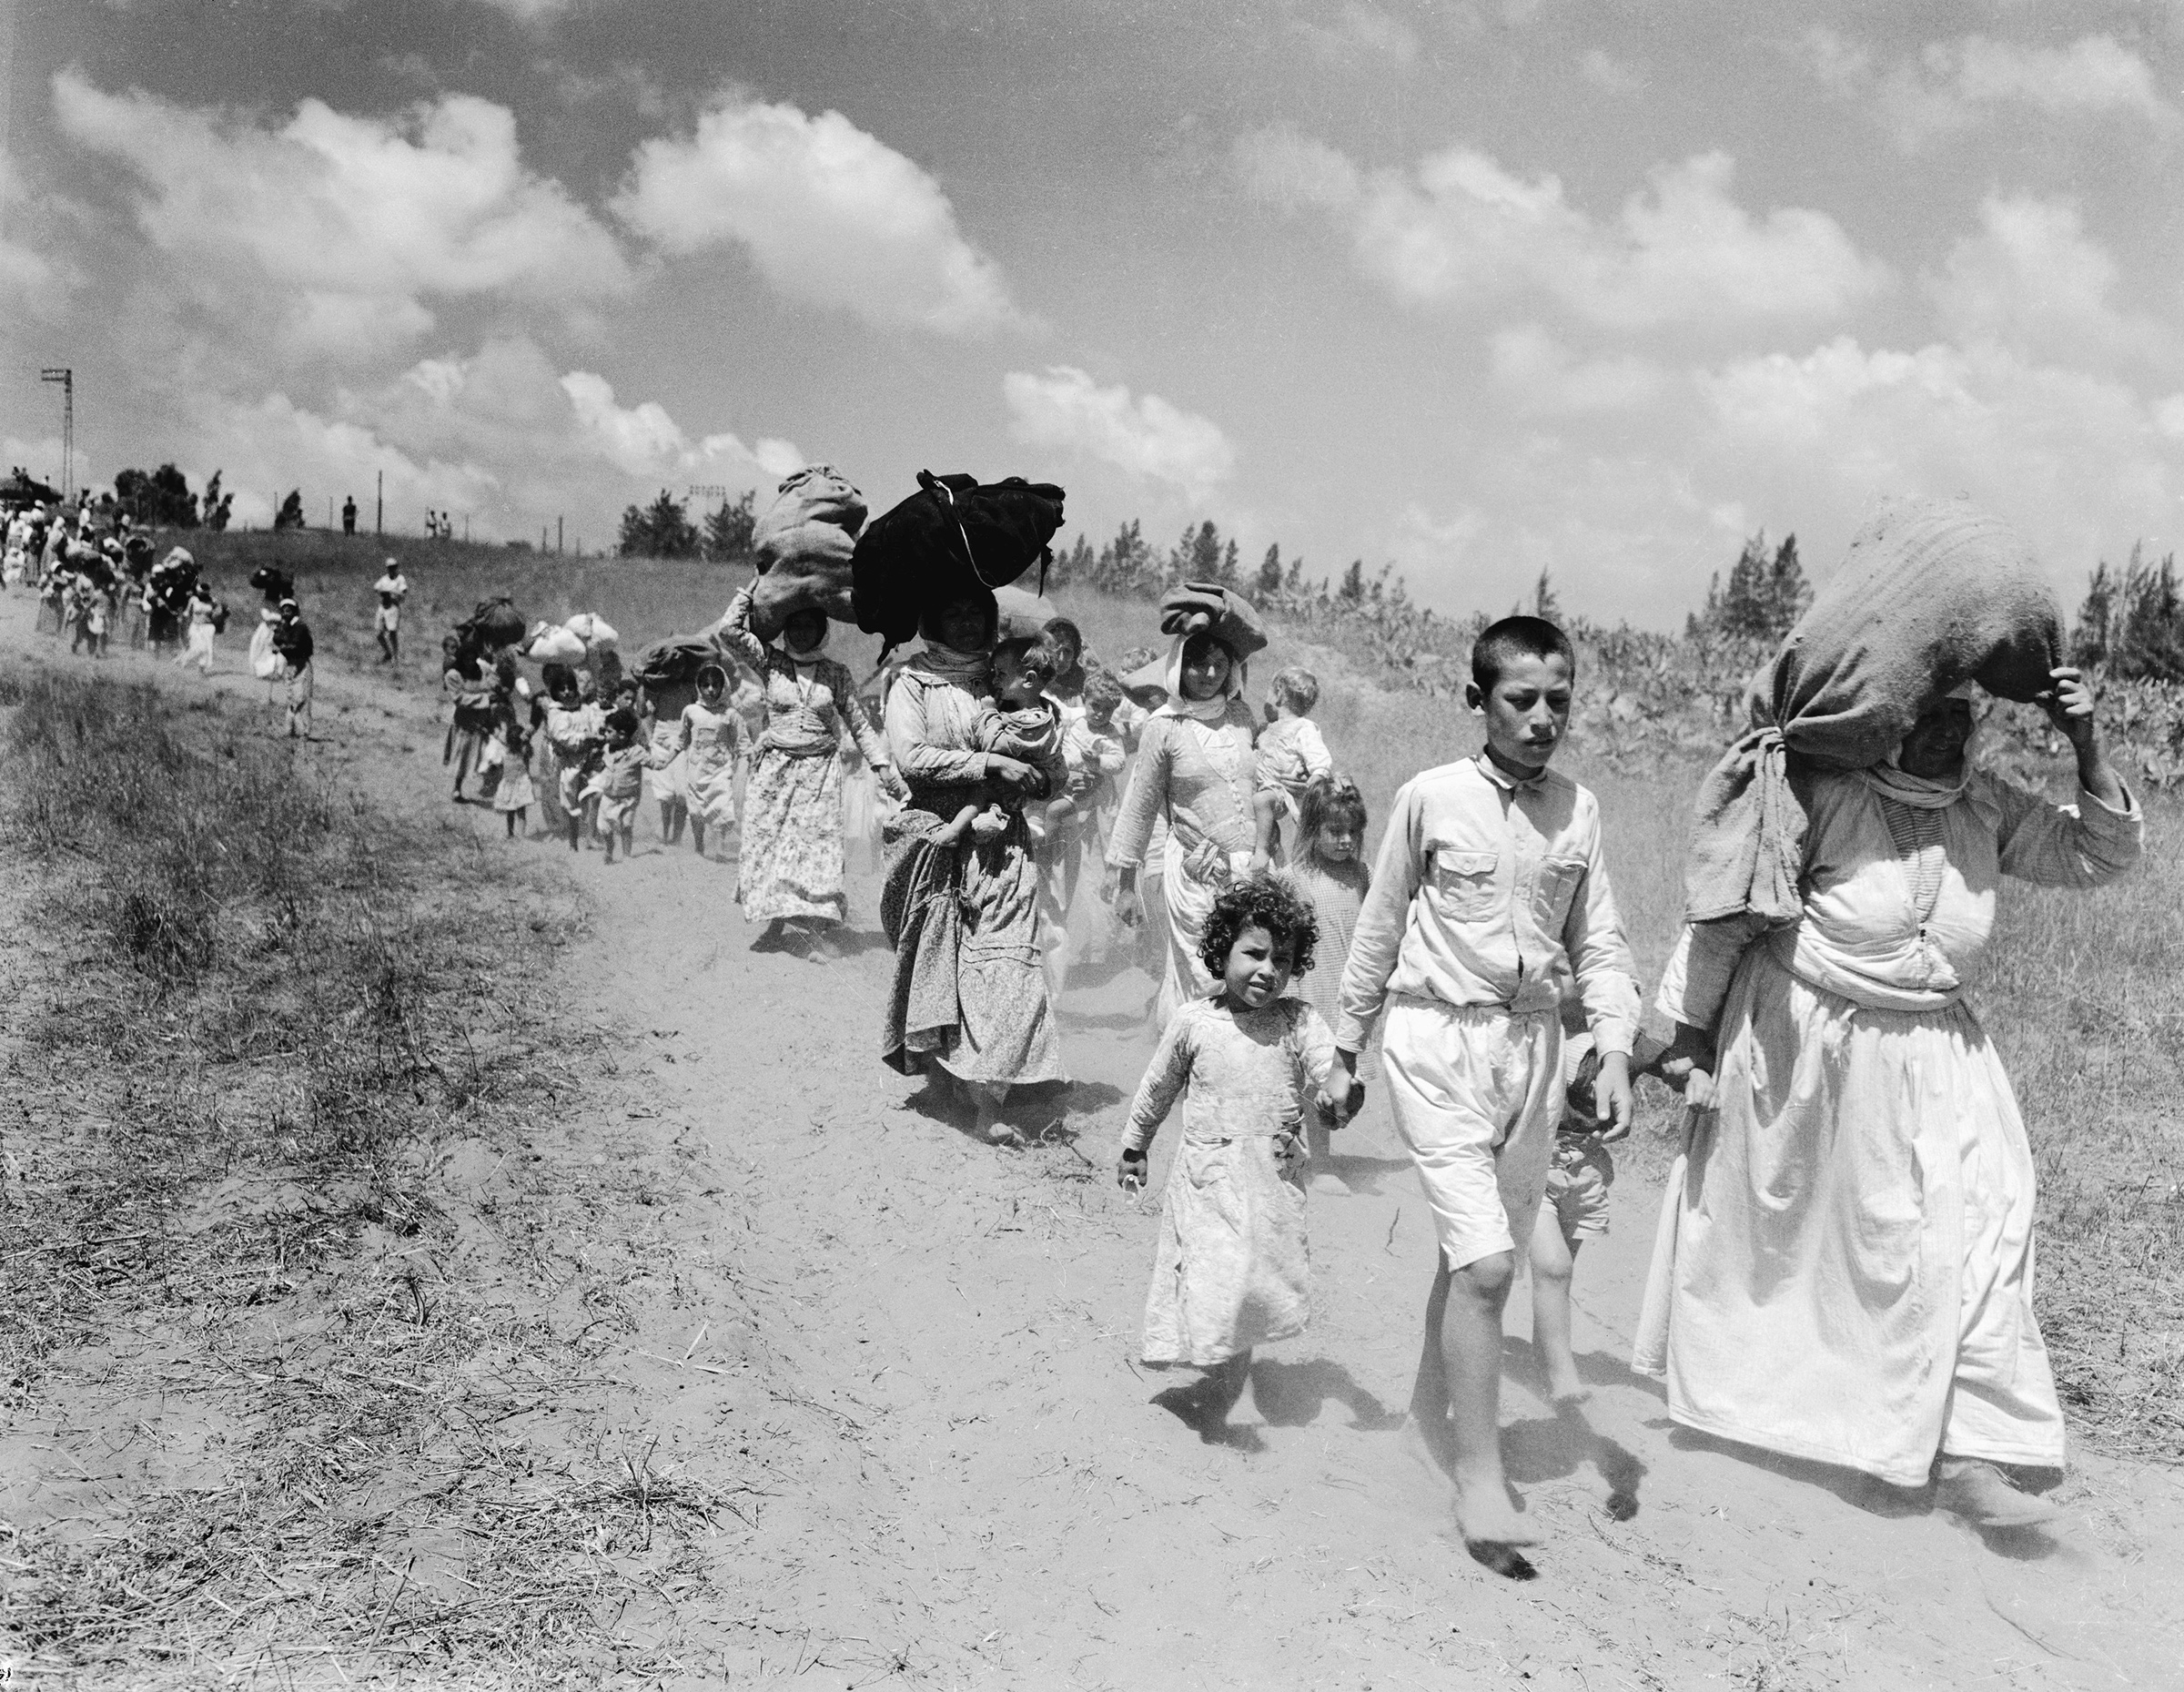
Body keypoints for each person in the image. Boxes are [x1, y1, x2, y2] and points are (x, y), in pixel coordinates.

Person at [1639, 672, 2138, 1529]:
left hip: (1938, 1050)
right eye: (1930, 715)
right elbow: (1727, 907)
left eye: (1964, 715)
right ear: (1887, 721)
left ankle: (1970, 1448)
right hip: (1805, 1048)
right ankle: (1772, 1424)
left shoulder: (1984, 806)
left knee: (1985, 1224)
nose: (1952, 732)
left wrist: (2085, 742)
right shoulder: (1822, 792)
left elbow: (2099, 853)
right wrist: (1677, 1036)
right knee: (1807, 1249)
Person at [1332, 615, 1638, 1578]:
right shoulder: (1431, 798)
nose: (1543, 718)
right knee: (1493, 1269)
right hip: (1436, 1041)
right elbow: (1380, 924)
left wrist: (1617, 1046)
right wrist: (1345, 1045)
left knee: (1476, 1259)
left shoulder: (1579, 811)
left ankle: (1428, 1413)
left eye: (1559, 699)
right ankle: (1479, 1477)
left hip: (1534, 1053)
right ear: (1478, 700)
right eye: (1521, 699)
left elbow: (1600, 941)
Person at [1115, 876, 1361, 1443]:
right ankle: (1215, 1385)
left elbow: (1330, 1072)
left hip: (1272, 1177)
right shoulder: (1195, 1023)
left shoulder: (1298, 1022)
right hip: (1206, 1179)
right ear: (1220, 950)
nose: (1267, 970)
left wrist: (1340, 1094)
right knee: (1213, 1275)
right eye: (1253, 954)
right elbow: (1157, 1090)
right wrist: (1135, 1145)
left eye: (1282, 959)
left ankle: (1225, 1388)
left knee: (1252, 1280)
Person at [881, 590, 1068, 1143]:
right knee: (936, 961)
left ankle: (992, 1097)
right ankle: (944, 1079)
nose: (965, 623)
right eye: (952, 610)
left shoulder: (1006, 677)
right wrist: (990, 762)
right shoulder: (913, 683)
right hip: (936, 837)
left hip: (1000, 846)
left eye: (974, 613)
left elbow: (1052, 771)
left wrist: (1036, 777)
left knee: (1001, 965)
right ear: (932, 618)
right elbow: (912, 759)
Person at [711, 586, 904, 957]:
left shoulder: (836, 674)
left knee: (817, 848)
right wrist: (750, 589)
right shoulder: (770, 662)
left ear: (821, 631)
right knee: (771, 844)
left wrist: (882, 767)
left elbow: (860, 725)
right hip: (775, 771)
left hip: (819, 771)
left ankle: (814, 932)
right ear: (786, 630)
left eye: (809, 626)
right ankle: (775, 924)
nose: (801, 633)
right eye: (794, 626)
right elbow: (729, 632)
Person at [1105, 597, 1264, 1029]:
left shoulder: (1241, 717)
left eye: (1219, 663)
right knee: (1202, 980)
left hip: (1248, 871)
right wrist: (1124, 885)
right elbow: (1139, 808)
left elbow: (1259, 785)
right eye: (1198, 664)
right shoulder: (1164, 726)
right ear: (1178, 667)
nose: (1210, 674)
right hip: (1195, 875)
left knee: (1248, 978)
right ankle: (1182, 1071)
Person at [1283, 774, 1371, 1195]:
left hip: (1346, 993)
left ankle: (1310, 1155)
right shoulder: (1295, 877)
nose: (1345, 841)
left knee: (1337, 1078)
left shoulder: (1362, 876)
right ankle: (1319, 1163)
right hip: (1308, 991)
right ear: (1312, 828)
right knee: (1312, 1078)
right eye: (1335, 831)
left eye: (1353, 832)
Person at [927, 635, 1065, 846]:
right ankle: (986, 822)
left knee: (981, 790)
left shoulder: (1031, 722)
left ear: (1028, 680)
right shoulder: (1031, 711)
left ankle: (955, 829)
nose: (995, 681)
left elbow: (995, 745)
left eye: (1001, 674)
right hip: (1013, 785)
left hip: (1014, 789)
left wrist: (989, 712)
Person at [1250, 667, 1333, 870]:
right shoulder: (1267, 728)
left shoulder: (1303, 728)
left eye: (1269, 693)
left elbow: (1320, 760)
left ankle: (1261, 851)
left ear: (1278, 693)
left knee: (1261, 801)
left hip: (1277, 793)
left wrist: (1316, 778)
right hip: (1260, 785)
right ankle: (1275, 851)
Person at [680, 663, 752, 859]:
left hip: (721, 769)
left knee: (722, 808)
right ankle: (699, 845)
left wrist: (750, 758)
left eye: (715, 685)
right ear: (699, 687)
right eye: (705, 685)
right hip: (696, 769)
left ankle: (719, 849)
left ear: (723, 687)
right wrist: (665, 759)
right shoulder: (690, 712)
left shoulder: (730, 715)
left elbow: (742, 741)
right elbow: (683, 739)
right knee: (696, 811)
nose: (710, 690)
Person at [541, 664, 606, 851]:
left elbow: (593, 725)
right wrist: (584, 738)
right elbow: (561, 736)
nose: (567, 692)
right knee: (571, 802)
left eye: (570, 688)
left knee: (596, 794)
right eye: (562, 689)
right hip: (569, 763)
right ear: (555, 692)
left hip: (589, 760)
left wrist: (595, 736)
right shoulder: (556, 712)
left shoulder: (583, 709)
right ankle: (573, 842)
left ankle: (591, 836)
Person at [585, 706, 650, 865]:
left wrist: (667, 758)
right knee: (604, 827)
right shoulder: (607, 749)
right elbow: (601, 765)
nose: (605, 735)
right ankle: (609, 847)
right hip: (609, 795)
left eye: (609, 732)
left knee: (626, 825)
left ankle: (627, 855)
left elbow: (653, 762)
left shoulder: (637, 752)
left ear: (622, 735)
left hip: (629, 797)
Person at [272, 599, 316, 738]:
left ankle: (303, 730)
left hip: (301, 664)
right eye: (283, 610)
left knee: (301, 697)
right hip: (291, 664)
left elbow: (295, 645)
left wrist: (281, 647)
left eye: (289, 610)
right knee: (292, 697)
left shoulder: (300, 627)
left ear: (295, 611)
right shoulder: (285, 626)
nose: (286, 613)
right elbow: (276, 639)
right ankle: (291, 730)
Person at [492, 719, 535, 837]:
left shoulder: (507, 752)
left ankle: (511, 834)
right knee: (520, 811)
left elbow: (498, 764)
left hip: (510, 783)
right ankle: (520, 835)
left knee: (510, 811)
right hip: (520, 783)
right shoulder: (523, 751)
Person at [177, 580, 219, 675]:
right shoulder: (193, 600)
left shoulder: (213, 601)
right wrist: (183, 623)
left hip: (208, 627)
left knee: (206, 649)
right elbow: (187, 613)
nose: (200, 595)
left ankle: (201, 670)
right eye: (199, 593)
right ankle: (184, 663)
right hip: (195, 626)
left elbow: (216, 614)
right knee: (195, 648)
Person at [372, 559, 408, 664]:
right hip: (383, 606)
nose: (391, 569)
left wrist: (391, 592)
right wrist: (383, 591)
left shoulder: (400, 579)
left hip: (393, 607)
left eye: (393, 567)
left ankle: (395, 657)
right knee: (379, 633)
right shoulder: (384, 579)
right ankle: (388, 653)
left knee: (392, 632)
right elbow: (376, 588)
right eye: (389, 567)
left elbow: (403, 593)